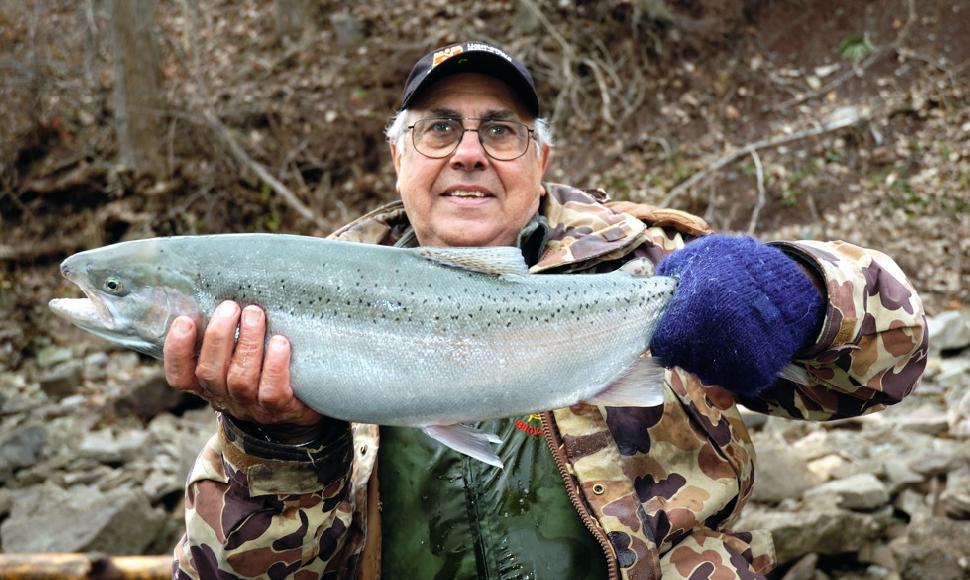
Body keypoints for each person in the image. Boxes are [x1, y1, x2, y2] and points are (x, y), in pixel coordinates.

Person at [166, 41, 927, 579]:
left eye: (501, 130)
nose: (469, 152)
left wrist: (797, 291)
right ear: (397, 159)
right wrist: (277, 447)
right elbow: (219, 575)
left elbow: (893, 362)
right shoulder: (296, 307)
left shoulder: (658, 268)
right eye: (439, 129)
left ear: (541, 161)